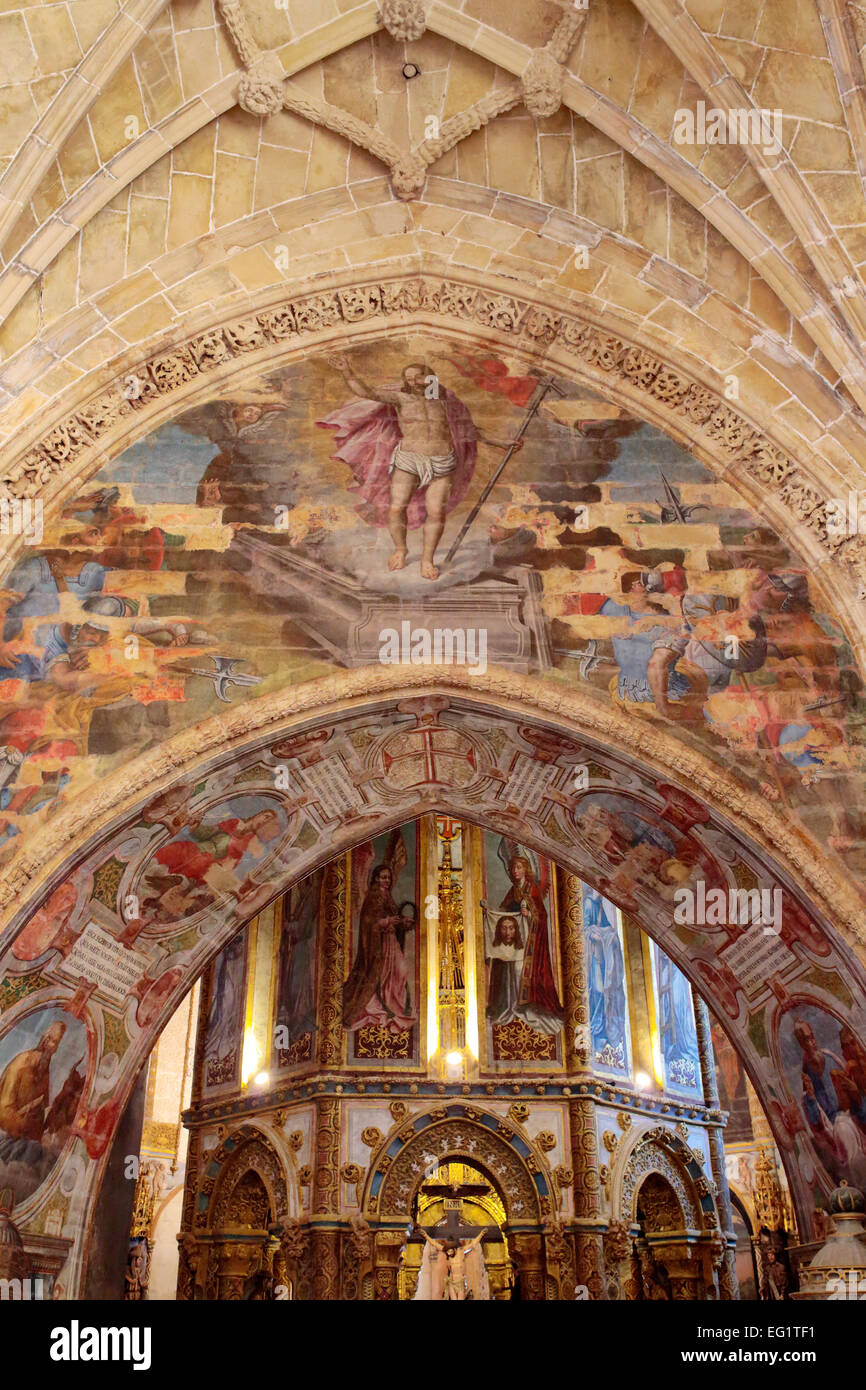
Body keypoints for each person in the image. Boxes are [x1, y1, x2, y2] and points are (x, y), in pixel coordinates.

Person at [323, 356, 513, 579]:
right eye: (409, 378)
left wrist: (501, 442)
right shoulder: (401, 399)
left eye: (418, 376)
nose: (414, 381)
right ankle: (401, 549)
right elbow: (367, 393)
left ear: (430, 377)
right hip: (409, 460)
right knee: (396, 508)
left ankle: (427, 560)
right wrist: (347, 370)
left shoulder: (448, 402)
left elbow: (469, 430)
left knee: (436, 512)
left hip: (442, 462)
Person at [342, 865, 415, 1032]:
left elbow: (393, 916)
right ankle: (378, 1007)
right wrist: (387, 921)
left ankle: (394, 1007)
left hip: (390, 941)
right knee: (382, 974)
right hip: (379, 945)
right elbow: (369, 922)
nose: (386, 881)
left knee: (401, 970)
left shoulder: (387, 896)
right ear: (376, 879)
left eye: (388, 878)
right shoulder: (373, 897)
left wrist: (402, 922)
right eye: (383, 877)